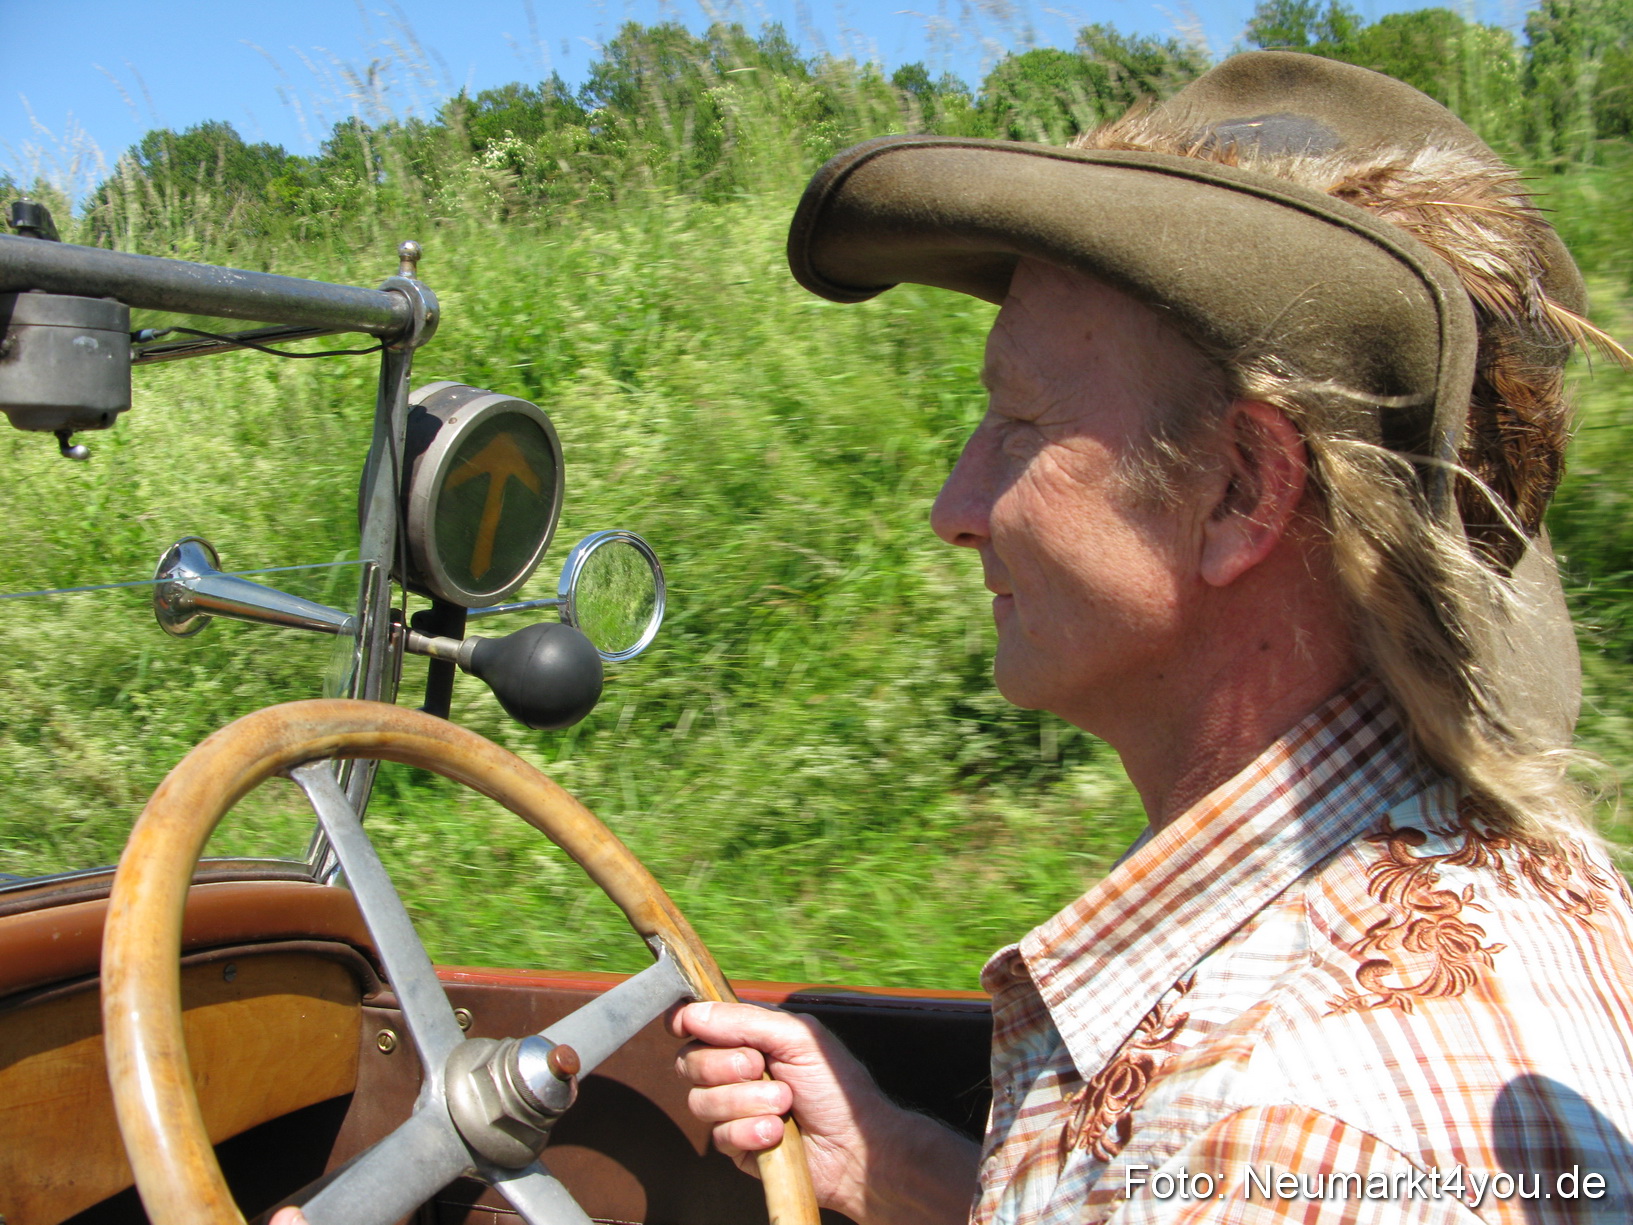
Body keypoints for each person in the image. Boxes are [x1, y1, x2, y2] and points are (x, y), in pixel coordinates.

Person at [669, 51, 1633, 1224]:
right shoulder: (1543, 873)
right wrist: (910, 1174)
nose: (953, 508)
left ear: (1239, 490)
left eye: (1021, 422)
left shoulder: (1269, 1132)